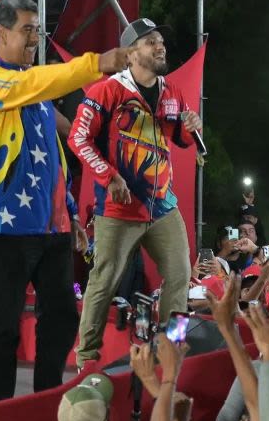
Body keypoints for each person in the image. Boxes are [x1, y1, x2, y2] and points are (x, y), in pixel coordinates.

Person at [0, 0, 128, 402]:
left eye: (38, 28)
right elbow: (37, 83)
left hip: (51, 225)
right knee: (3, 323)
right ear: (1, 33)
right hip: (5, 228)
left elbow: (50, 154)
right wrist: (97, 63)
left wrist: (70, 212)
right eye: (27, 29)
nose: (35, 37)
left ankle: (46, 400)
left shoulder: (29, 82)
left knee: (59, 317)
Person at [68, 18, 200, 371]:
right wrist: (108, 176)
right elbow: (77, 138)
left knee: (180, 274)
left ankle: (173, 345)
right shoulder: (107, 91)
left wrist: (190, 131)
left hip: (162, 205)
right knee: (104, 280)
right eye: (151, 41)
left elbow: (178, 139)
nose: (161, 46)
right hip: (119, 207)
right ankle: (87, 359)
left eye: (161, 41)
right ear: (131, 53)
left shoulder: (170, 90)